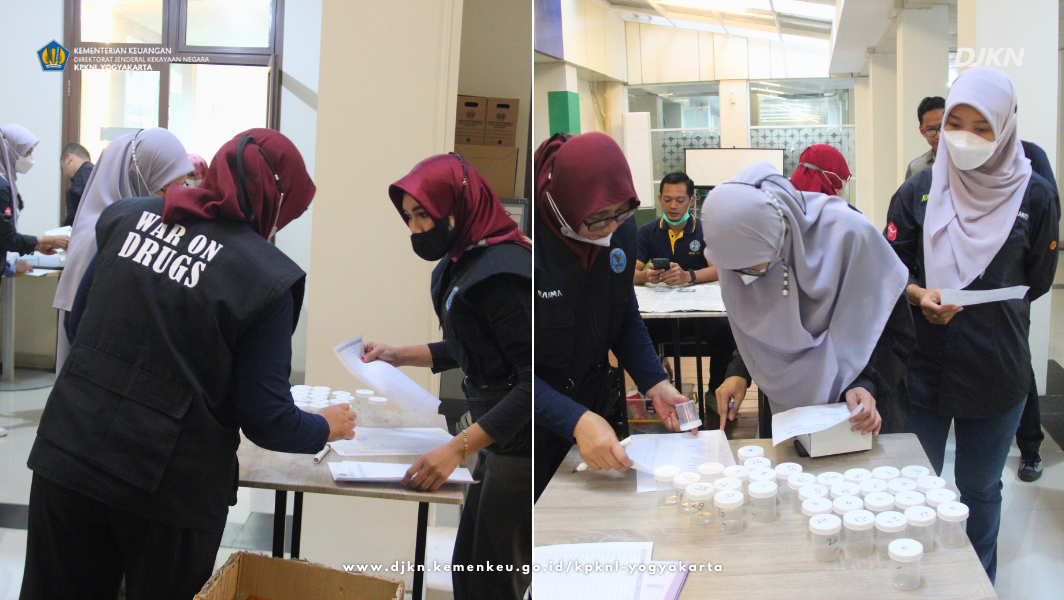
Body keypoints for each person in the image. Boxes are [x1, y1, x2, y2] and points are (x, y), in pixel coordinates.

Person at [20, 129, 357, 599]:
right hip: (167, 491)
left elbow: (78, 323)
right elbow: (267, 419)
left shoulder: (126, 217)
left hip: (70, 454)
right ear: (277, 201)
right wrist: (324, 426)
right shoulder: (267, 277)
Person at [883, 67, 1059, 583]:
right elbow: (892, 267)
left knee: (980, 488)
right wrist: (919, 294)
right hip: (923, 365)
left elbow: (1038, 280)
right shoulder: (917, 190)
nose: (964, 137)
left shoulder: (1035, 196)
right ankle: (912, 580)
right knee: (915, 485)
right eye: (954, 124)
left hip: (995, 364)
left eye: (981, 127)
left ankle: (978, 583)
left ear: (1005, 128)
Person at [363, 153, 531, 599]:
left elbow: (536, 383)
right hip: (496, 437)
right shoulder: (463, 260)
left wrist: (458, 447)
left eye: (424, 214)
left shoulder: (504, 274)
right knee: (470, 572)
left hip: (524, 445)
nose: (416, 228)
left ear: (458, 205)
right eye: (409, 217)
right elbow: (477, 343)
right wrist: (400, 355)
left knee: (494, 581)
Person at [703, 162, 915, 439]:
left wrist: (864, 382)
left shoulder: (849, 235)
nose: (744, 278)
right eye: (734, 270)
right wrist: (738, 371)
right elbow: (757, 321)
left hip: (859, 407)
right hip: (786, 409)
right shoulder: (737, 259)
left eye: (753, 266)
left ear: (779, 235)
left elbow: (892, 324)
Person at [534, 132, 689, 501]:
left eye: (622, 214)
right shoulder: (529, 245)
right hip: (531, 419)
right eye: (598, 219)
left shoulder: (620, 230)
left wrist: (655, 382)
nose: (610, 228)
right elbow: (510, 371)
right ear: (565, 206)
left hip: (592, 406)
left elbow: (622, 313)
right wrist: (573, 419)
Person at [52, 128, 191, 371]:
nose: (174, 200)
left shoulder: (145, 226)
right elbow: (85, 324)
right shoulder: (99, 232)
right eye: (167, 190)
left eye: (183, 187)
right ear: (136, 179)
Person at [634, 170, 736, 415]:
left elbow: (720, 269)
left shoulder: (705, 229)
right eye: (668, 199)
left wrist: (689, 276)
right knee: (637, 329)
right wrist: (646, 276)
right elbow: (630, 273)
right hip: (660, 313)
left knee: (725, 328)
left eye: (680, 200)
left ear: (691, 200)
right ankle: (657, 386)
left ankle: (715, 391)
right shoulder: (647, 232)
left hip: (699, 313)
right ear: (660, 199)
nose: (673, 206)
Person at [0, 124, 69, 437]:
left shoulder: (7, 182)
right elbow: (7, 236)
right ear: (10, 149)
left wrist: (10, 266)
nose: (29, 157)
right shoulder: (2, 185)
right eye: (26, 151)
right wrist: (41, 241)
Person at [904, 96, 945, 180]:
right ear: (922, 131)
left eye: (942, 127)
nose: (938, 136)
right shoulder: (915, 169)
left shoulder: (968, 162)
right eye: (931, 130)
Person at [60, 143, 93, 226]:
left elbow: (75, 219)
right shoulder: (98, 172)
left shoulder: (80, 179)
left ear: (68, 158)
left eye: (62, 168)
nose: (65, 175)